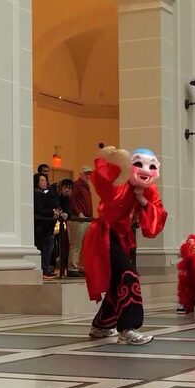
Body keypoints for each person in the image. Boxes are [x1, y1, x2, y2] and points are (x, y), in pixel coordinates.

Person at [84, 147, 167, 345]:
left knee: (117, 283)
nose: (144, 171)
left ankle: (101, 326)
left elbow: (156, 222)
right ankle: (128, 328)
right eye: (138, 165)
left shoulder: (149, 190)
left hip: (124, 239)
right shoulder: (120, 184)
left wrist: (142, 199)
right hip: (105, 236)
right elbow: (105, 186)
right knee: (128, 275)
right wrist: (113, 161)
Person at [69, 166, 94, 276]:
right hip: (79, 219)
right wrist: (79, 213)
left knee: (85, 245)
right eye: (86, 174)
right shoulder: (76, 185)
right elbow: (72, 199)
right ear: (81, 173)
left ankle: (81, 267)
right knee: (76, 244)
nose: (88, 176)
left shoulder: (86, 187)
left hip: (87, 218)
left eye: (89, 174)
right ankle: (73, 267)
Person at [34, 173, 59, 279]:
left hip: (49, 223)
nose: (44, 183)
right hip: (40, 223)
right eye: (41, 181)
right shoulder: (36, 193)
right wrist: (51, 212)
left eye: (45, 180)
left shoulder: (48, 193)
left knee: (50, 246)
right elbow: (39, 209)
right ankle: (44, 269)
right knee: (44, 247)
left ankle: (46, 268)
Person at [49, 179, 73, 276]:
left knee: (62, 245)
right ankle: (50, 266)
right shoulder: (51, 192)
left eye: (69, 188)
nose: (67, 190)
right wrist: (59, 212)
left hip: (60, 224)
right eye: (66, 187)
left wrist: (67, 213)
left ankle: (61, 268)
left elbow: (67, 208)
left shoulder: (65, 196)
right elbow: (52, 206)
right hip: (50, 223)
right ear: (61, 186)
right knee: (51, 246)